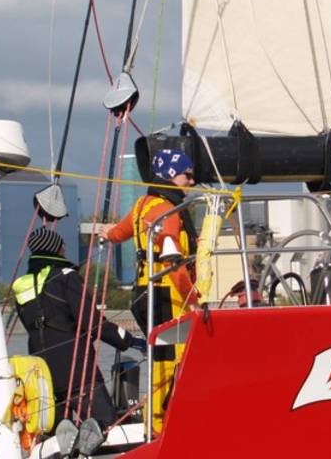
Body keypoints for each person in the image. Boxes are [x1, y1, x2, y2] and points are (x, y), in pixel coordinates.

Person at [96, 148, 199, 433]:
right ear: (170, 175)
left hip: (143, 293)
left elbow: (119, 233)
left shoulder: (142, 205)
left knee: (159, 357)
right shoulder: (169, 210)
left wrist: (107, 232)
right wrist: (193, 300)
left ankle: (155, 422)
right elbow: (172, 260)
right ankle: (161, 425)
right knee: (174, 360)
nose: (191, 182)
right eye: (187, 175)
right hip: (167, 294)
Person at [11, 226, 144, 430]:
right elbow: (93, 322)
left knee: (55, 439)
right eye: (62, 245)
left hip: (42, 378)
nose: (64, 249)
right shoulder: (66, 277)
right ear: (55, 248)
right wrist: (131, 341)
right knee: (106, 430)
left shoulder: (21, 286)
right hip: (77, 374)